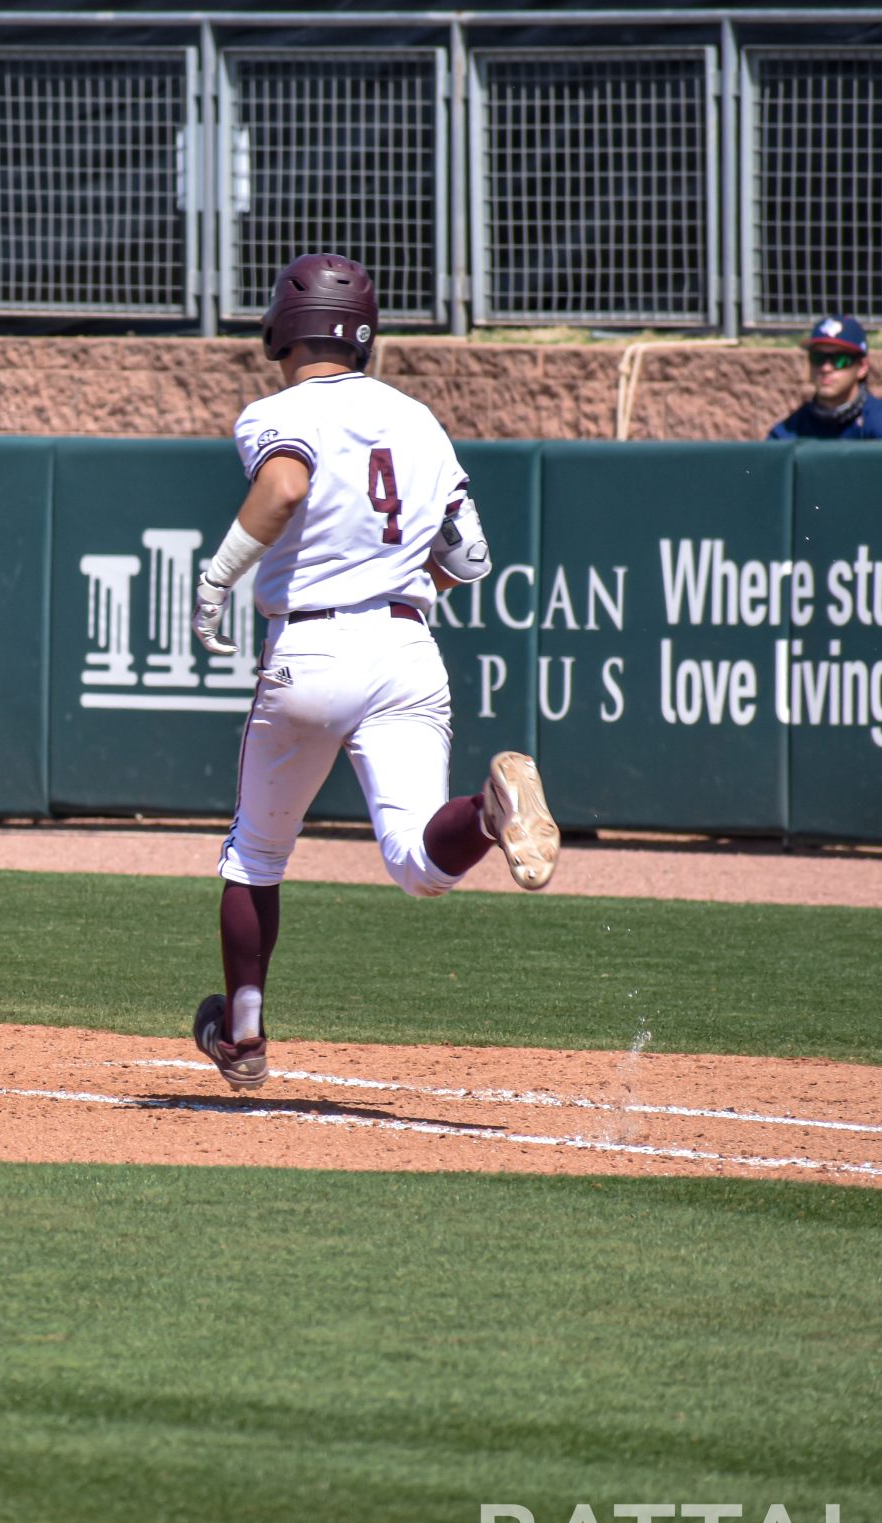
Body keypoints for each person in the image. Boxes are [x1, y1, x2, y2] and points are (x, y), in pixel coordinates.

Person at [187, 253, 560, 1093]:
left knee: (255, 854)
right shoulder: (418, 417)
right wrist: (396, 581)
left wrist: (218, 575)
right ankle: (489, 810)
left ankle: (243, 1035)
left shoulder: (275, 411)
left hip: (312, 647)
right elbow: (468, 556)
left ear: (283, 325)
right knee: (417, 865)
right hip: (405, 648)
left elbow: (283, 486)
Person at [768, 314, 882, 441]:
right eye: (818, 358)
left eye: (840, 360)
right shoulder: (792, 427)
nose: (826, 368)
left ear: (862, 367)